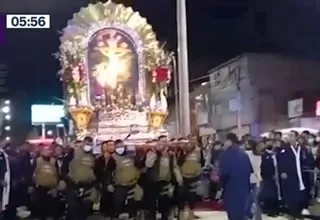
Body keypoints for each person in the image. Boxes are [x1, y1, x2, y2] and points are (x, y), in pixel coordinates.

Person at [277, 130, 315, 220]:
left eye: (292, 135)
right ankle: (293, 214)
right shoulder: (285, 149)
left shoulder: (302, 149)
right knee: (292, 196)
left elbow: (309, 160)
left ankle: (299, 212)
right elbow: (280, 162)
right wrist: (282, 171)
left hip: (302, 175)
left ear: (296, 137)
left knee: (301, 195)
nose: (290, 137)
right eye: (289, 136)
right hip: (291, 176)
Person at [144, 135, 182, 220]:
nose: (164, 143)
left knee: (165, 205)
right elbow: (148, 164)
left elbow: (175, 167)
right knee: (151, 205)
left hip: (165, 182)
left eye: (165, 141)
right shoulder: (152, 153)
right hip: (153, 183)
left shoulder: (170, 154)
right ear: (158, 142)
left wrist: (179, 178)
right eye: (162, 141)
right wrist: (156, 153)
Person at [219, 133, 253, 220]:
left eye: (225, 141)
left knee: (233, 213)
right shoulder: (244, 154)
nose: (224, 144)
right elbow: (250, 170)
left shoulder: (226, 155)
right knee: (242, 212)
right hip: (244, 188)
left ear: (229, 141)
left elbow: (223, 174)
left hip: (231, 188)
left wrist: (221, 188)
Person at [65, 139, 98, 220]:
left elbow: (95, 170)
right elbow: (65, 168)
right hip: (73, 184)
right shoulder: (72, 154)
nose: (88, 146)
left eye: (90, 144)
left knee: (84, 210)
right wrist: (66, 179)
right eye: (87, 144)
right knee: (73, 209)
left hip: (88, 186)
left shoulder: (92, 157)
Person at [176, 136, 204, 220]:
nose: (193, 142)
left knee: (192, 197)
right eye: (191, 140)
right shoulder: (182, 150)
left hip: (194, 176)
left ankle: (191, 214)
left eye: (195, 140)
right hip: (183, 176)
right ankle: (181, 215)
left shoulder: (199, 150)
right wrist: (185, 153)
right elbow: (178, 162)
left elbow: (202, 162)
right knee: (181, 196)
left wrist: (198, 171)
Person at [31, 145, 61, 220]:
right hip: (39, 187)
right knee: (39, 207)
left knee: (50, 208)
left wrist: (57, 185)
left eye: (49, 150)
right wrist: (31, 185)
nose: (47, 152)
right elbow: (32, 172)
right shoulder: (37, 160)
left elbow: (57, 173)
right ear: (41, 152)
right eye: (45, 150)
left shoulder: (54, 161)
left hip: (51, 187)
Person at [95, 140, 115, 220]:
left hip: (112, 181)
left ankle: (110, 214)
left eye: (107, 146)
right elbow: (97, 171)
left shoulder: (114, 158)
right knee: (105, 197)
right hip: (102, 181)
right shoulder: (99, 159)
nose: (106, 148)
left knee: (111, 197)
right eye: (104, 147)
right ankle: (105, 213)